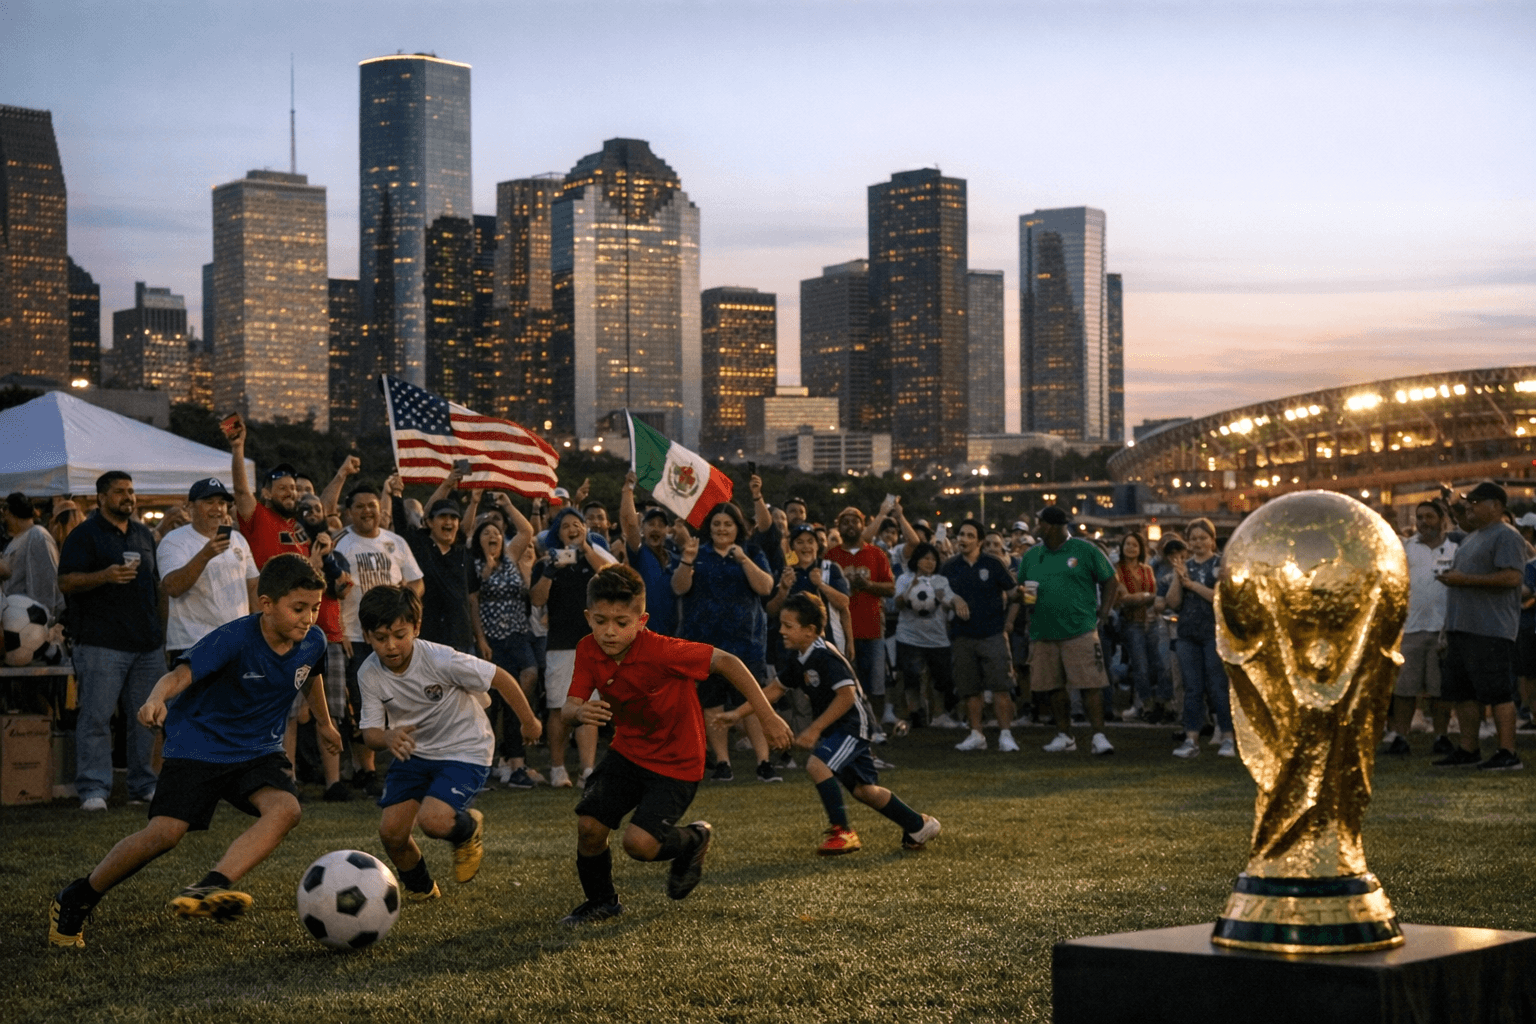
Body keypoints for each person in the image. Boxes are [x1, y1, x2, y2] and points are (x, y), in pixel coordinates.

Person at [47, 554, 342, 948]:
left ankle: (210, 886)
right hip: (199, 745)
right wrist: (155, 699)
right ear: (266, 604)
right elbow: (179, 675)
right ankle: (78, 897)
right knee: (164, 834)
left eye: (315, 609)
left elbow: (310, 674)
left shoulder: (313, 641)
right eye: (298, 608)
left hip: (257, 750)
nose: (307, 618)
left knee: (286, 809)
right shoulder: (234, 638)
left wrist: (324, 722)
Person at [559, 565, 792, 925]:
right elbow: (569, 707)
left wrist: (767, 717)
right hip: (628, 751)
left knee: (639, 845)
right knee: (589, 827)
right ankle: (601, 902)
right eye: (601, 620)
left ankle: (693, 838)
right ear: (588, 616)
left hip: (677, 761)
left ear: (642, 620)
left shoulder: (664, 651)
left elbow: (728, 662)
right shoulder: (588, 649)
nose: (609, 631)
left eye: (622, 622)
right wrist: (578, 711)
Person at [357, 585, 544, 900]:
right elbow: (370, 733)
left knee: (433, 821)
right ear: (367, 636)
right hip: (415, 753)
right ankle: (422, 888)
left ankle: (467, 829)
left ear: (416, 628)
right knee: (391, 834)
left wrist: (529, 720)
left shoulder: (441, 659)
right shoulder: (369, 673)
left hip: (465, 748)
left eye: (400, 635)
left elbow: (500, 677)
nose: (391, 646)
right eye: (380, 638)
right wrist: (388, 736)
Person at [730, 592, 939, 855]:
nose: (781, 631)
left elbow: (846, 695)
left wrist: (814, 729)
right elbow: (773, 690)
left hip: (852, 725)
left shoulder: (824, 656)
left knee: (818, 764)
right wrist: (736, 714)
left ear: (810, 631)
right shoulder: (802, 658)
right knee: (865, 791)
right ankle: (917, 825)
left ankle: (843, 832)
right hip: (840, 728)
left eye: (788, 626)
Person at [57, 471, 163, 811]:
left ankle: (143, 785)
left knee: (146, 718)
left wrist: (160, 632)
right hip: (101, 641)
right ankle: (93, 789)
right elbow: (66, 582)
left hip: (146, 643)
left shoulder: (143, 534)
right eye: (120, 492)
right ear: (101, 497)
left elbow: (155, 584)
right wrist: (105, 576)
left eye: (131, 491)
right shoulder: (84, 535)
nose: (128, 497)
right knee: (97, 718)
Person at [673, 501, 779, 782]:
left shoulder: (752, 551)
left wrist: (743, 559)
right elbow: (678, 588)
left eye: (728, 524)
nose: (721, 529)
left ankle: (764, 761)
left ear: (738, 527)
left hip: (747, 641)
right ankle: (723, 762)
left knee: (752, 702)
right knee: (712, 703)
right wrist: (687, 560)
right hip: (706, 643)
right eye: (717, 524)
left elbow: (766, 587)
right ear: (709, 527)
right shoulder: (697, 552)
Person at [335, 482, 425, 794]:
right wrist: (338, 627)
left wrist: (406, 611)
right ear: (349, 512)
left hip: (396, 636)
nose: (367, 511)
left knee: (401, 700)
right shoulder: (341, 543)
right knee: (362, 704)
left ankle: (408, 764)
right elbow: (329, 590)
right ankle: (367, 770)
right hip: (357, 636)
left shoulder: (395, 541)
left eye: (372, 505)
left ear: (380, 509)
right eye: (359, 506)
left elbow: (416, 582)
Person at [1432, 481, 1526, 771]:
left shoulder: (1506, 536)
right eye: (1468, 502)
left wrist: (1465, 580)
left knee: (1497, 693)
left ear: (1496, 506)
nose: (1469, 507)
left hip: (1490, 629)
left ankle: (1507, 752)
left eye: (1475, 502)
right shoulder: (1473, 537)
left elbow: (1512, 578)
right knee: (1463, 693)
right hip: (1464, 627)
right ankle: (1468, 748)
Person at [1017, 507, 1120, 756]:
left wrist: (1104, 612)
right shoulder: (1032, 556)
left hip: (1080, 629)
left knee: (1090, 685)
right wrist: (1024, 598)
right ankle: (1065, 735)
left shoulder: (1085, 550)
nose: (1036, 527)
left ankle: (1098, 736)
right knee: (1053, 687)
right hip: (1043, 630)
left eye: (1040, 523)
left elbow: (1111, 580)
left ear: (1051, 526)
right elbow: (1024, 590)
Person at [531, 507, 616, 788]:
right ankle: (558, 768)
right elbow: (536, 599)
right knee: (559, 708)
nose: (572, 529)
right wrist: (551, 570)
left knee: (589, 705)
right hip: (560, 644)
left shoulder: (593, 557)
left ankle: (588, 770)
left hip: (592, 644)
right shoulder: (546, 562)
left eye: (577, 525)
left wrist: (585, 548)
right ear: (557, 532)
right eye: (566, 525)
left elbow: (607, 576)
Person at [468, 505, 541, 790]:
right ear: (478, 539)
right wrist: (481, 640)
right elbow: (473, 604)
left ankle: (515, 762)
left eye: (496, 532)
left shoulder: (511, 557)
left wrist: (509, 504)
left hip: (517, 636)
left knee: (527, 679)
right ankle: (491, 766)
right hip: (491, 640)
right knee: (493, 703)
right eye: (486, 532)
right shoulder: (473, 564)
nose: (493, 535)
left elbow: (527, 531)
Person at [1380, 501, 1457, 756]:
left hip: (1442, 628)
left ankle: (1441, 736)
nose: (1424, 522)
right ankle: (1400, 736)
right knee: (1405, 689)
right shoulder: (1405, 548)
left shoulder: (1455, 547)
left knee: (1439, 690)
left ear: (1441, 519)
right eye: (1420, 517)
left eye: (1429, 517)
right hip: (1411, 628)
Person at [941, 520, 1024, 752]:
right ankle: (976, 733)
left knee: (1001, 686)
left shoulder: (993, 563)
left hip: (992, 633)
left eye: (969, 535)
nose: (963, 539)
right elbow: (939, 592)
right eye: (961, 534)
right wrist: (953, 599)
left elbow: (1012, 592)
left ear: (979, 541)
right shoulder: (950, 566)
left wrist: (1021, 593)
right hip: (962, 635)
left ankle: (1005, 734)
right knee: (970, 688)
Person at [159, 477, 260, 662]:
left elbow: (253, 587)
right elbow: (172, 587)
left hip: (237, 641)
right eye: (209, 502)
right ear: (190, 506)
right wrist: (206, 554)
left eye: (222, 503)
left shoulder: (238, 540)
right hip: (193, 643)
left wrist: (261, 635)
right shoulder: (174, 540)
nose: (217, 509)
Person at [391, 469, 482, 654]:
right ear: (430, 522)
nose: (449, 521)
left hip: (462, 639)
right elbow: (401, 525)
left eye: (453, 517)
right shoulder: (420, 545)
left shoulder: (462, 552)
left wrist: (480, 638)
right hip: (429, 639)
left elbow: (473, 599)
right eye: (443, 517)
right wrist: (397, 495)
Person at [1166, 518, 1234, 759]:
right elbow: (1173, 603)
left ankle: (1227, 736)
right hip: (1187, 633)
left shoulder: (1220, 565)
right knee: (1192, 688)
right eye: (1193, 539)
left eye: (1202, 538)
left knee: (1218, 687)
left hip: (1213, 633)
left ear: (1212, 540)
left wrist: (1192, 585)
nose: (1197, 543)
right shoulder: (1185, 567)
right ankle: (1191, 738)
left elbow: (1220, 598)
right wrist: (1178, 578)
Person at [825, 506, 896, 724]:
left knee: (874, 682)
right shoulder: (831, 556)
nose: (849, 526)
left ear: (862, 525)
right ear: (838, 527)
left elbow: (891, 588)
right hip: (842, 631)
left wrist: (868, 585)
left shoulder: (876, 554)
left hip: (872, 627)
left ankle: (873, 725)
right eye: (844, 522)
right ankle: (851, 725)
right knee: (846, 682)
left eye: (854, 521)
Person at [225, 416, 309, 569]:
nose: (291, 493)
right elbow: (242, 492)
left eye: (293, 488)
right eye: (282, 488)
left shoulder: (298, 525)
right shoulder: (259, 517)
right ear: (267, 493)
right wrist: (238, 447)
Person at [893, 542, 958, 729]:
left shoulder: (941, 581)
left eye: (933, 559)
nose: (930, 562)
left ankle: (939, 715)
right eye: (925, 558)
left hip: (937, 638)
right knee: (911, 677)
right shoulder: (905, 579)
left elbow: (950, 602)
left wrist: (944, 599)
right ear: (916, 560)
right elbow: (897, 605)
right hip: (909, 637)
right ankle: (916, 713)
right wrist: (909, 591)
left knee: (941, 679)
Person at [1114, 532, 1173, 724]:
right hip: (1132, 623)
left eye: (1135, 544)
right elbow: (1123, 598)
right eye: (1127, 544)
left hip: (1151, 620)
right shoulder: (1117, 570)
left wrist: (1139, 597)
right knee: (1140, 667)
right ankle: (1147, 704)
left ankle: (1161, 702)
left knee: (1162, 665)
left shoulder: (1147, 569)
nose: (1131, 547)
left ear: (1140, 549)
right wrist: (1145, 596)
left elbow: (1154, 595)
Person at [619, 472, 680, 636]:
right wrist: (628, 490)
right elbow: (630, 524)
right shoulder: (639, 554)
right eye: (651, 524)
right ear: (643, 529)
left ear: (667, 531)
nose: (656, 528)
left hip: (672, 636)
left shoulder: (676, 560)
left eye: (661, 525)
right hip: (642, 634)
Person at [2, 491, 62, 618]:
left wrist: (44, 617)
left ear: (10, 512)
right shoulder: (17, 538)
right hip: (16, 614)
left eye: (5, 514)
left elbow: (47, 583)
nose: (4, 520)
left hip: (33, 617)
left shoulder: (37, 535)